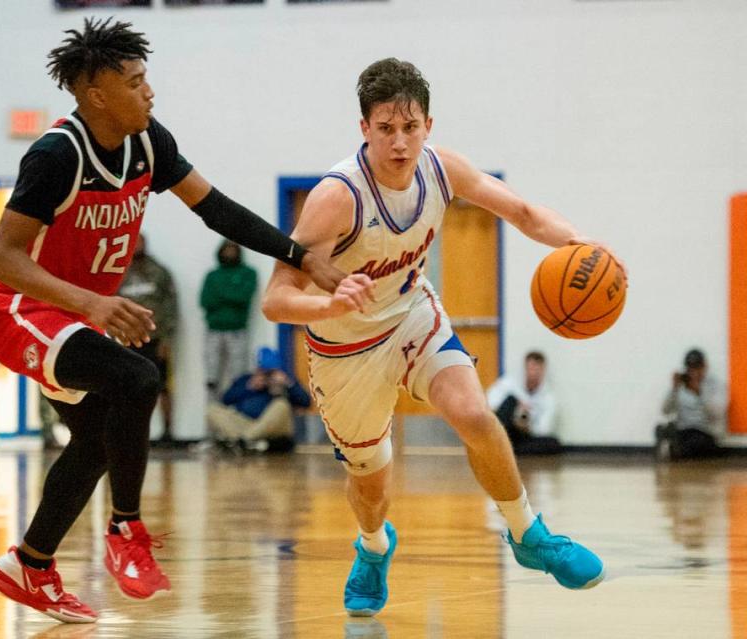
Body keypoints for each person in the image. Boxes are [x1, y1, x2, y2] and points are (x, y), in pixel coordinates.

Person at [0, 18, 343, 623]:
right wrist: (93, 303)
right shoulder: (55, 155)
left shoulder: (149, 143)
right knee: (140, 378)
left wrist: (300, 257)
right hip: (23, 310)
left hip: (74, 318)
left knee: (96, 441)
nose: (150, 92)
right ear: (96, 94)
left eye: (147, 79)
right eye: (135, 81)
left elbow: (216, 208)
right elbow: (3, 258)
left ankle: (30, 564)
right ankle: (125, 530)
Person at [262, 58, 616, 616]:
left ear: (428, 124)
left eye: (411, 127)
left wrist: (577, 241)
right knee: (371, 488)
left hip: (410, 317)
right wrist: (326, 302)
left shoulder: (442, 169)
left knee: (474, 414)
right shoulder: (337, 198)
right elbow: (275, 298)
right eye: (386, 129)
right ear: (364, 129)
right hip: (343, 349)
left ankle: (529, 534)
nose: (400, 143)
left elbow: (521, 211)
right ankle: (374, 548)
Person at [117, 234, 178, 443]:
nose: (137, 247)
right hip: (126, 341)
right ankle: (127, 432)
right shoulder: (119, 272)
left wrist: (167, 339)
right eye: (134, 243)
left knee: (162, 387)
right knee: (125, 388)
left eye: (140, 242)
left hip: (154, 340)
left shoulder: (159, 272)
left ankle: (167, 432)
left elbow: (171, 307)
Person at [207, 346, 311, 452]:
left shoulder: (286, 382)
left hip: (273, 428)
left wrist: (288, 385)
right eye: (264, 372)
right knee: (212, 410)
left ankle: (244, 441)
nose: (267, 376)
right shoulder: (246, 380)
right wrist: (249, 387)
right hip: (245, 424)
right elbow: (225, 400)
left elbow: (306, 402)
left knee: (281, 404)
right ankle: (251, 442)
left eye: (271, 372)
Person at [200, 240, 257, 396]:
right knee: (212, 378)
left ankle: (237, 412)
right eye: (227, 250)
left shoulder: (248, 273)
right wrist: (231, 295)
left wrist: (220, 293)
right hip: (213, 330)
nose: (229, 253)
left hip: (237, 330)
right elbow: (205, 301)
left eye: (233, 250)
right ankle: (212, 414)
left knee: (238, 376)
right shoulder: (212, 275)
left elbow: (243, 297)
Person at [655, 348, 728, 461]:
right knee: (667, 430)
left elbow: (717, 413)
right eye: (690, 367)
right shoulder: (681, 385)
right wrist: (674, 389)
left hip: (705, 431)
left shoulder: (715, 385)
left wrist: (699, 393)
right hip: (683, 429)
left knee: (699, 443)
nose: (693, 371)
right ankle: (672, 447)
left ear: (705, 366)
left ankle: (674, 451)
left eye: (697, 367)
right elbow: (665, 410)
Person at [487, 351, 562, 455]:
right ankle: (503, 446)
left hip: (524, 434)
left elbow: (544, 429)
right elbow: (490, 405)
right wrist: (516, 407)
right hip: (504, 428)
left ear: (543, 370)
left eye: (537, 369)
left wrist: (525, 426)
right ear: (525, 368)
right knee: (510, 399)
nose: (533, 372)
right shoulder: (508, 384)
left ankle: (510, 451)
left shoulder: (548, 398)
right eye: (531, 368)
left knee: (553, 443)